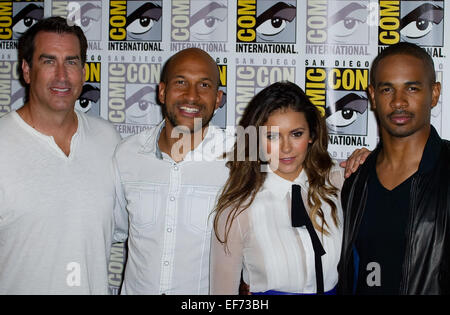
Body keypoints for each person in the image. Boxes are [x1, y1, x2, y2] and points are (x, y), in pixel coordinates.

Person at [0, 17, 122, 294]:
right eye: (48, 61)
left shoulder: (108, 140)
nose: (62, 76)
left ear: (83, 71)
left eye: (71, 62)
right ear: (27, 70)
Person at [113, 48, 232, 294]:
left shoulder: (238, 161)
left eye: (204, 85)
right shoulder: (127, 155)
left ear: (218, 98)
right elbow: (112, 229)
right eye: (181, 82)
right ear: (162, 91)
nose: (192, 96)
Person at [210, 81, 344, 295]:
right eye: (272, 136)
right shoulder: (237, 211)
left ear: (311, 135)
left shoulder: (337, 182)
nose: (286, 147)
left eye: (296, 134)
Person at [337, 42, 449, 295]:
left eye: (412, 88)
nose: (399, 102)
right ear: (373, 97)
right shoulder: (356, 180)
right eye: (387, 89)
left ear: (434, 93)